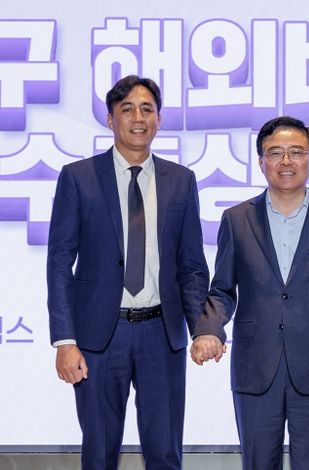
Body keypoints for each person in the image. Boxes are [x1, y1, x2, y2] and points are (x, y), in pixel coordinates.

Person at [46, 75, 209, 470]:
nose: (138, 118)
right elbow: (59, 263)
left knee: (165, 452)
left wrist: (202, 329)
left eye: (147, 109)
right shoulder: (79, 177)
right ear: (110, 119)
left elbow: (191, 265)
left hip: (161, 334)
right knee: (99, 452)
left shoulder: (180, 180)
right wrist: (65, 340)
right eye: (127, 109)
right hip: (99, 338)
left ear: (159, 119)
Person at [190, 116, 309, 470]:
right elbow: (223, 289)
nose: (286, 161)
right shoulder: (236, 219)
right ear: (261, 162)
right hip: (255, 366)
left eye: (296, 152)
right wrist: (209, 329)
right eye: (275, 153)